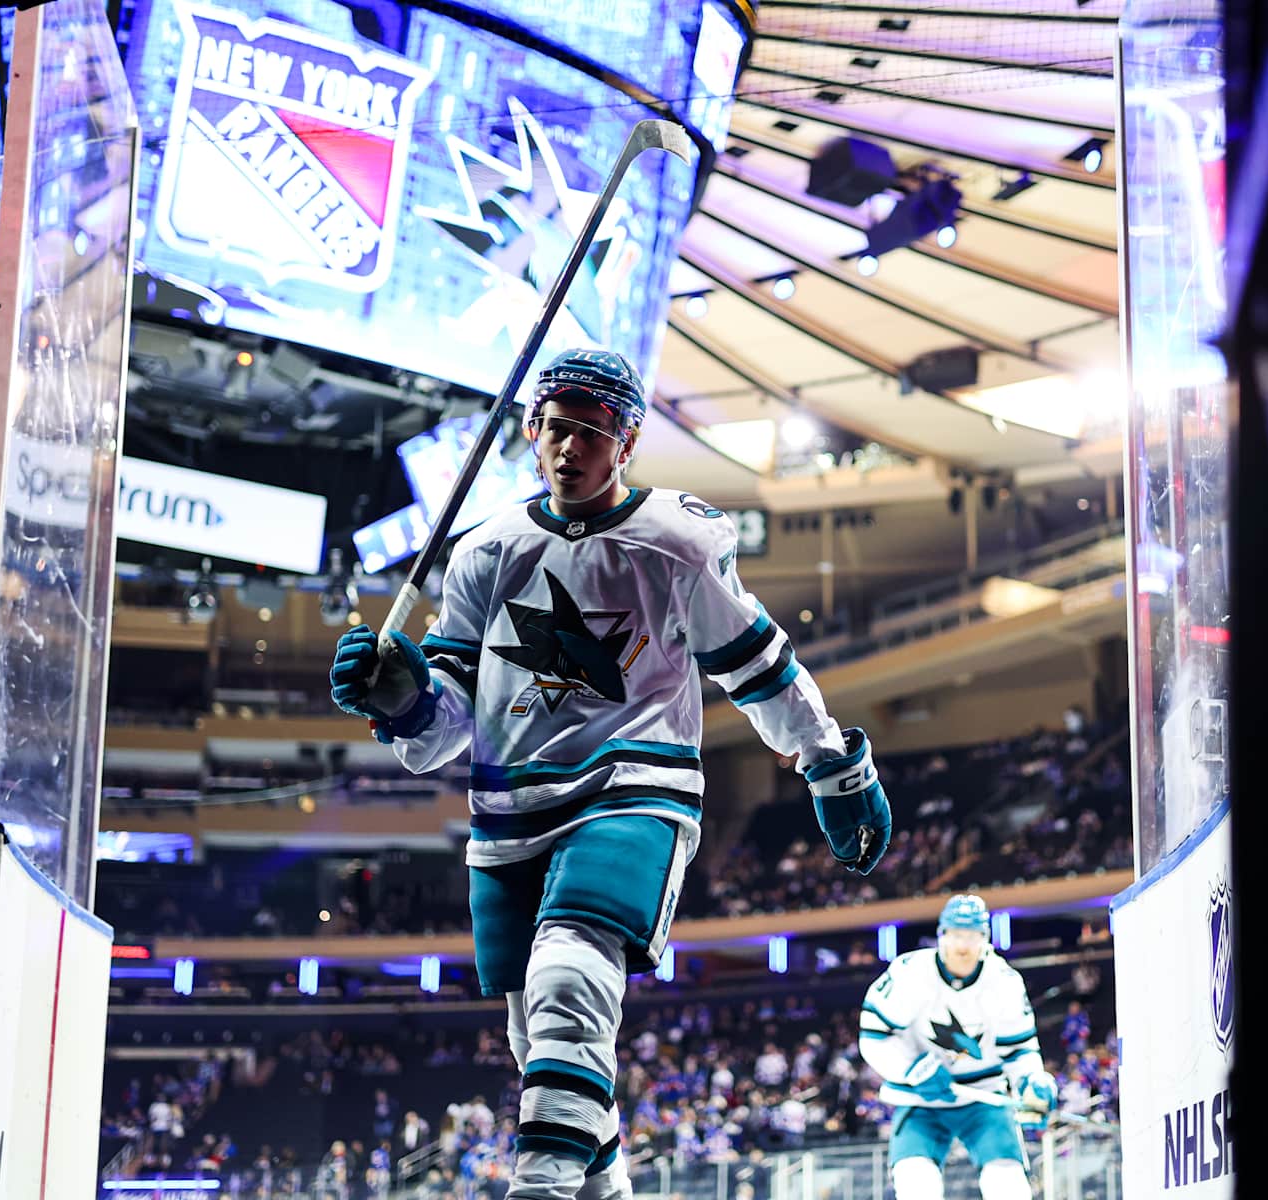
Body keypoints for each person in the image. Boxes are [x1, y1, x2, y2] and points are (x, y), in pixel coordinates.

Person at [331, 347, 891, 1200]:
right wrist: (404, 698)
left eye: (591, 432)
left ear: (625, 441)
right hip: (510, 814)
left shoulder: (677, 539)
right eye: (557, 427)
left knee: (568, 981)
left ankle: (541, 1187)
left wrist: (828, 764)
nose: (569, 447)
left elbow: (758, 667)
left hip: (634, 790)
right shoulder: (485, 553)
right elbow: (445, 728)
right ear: (530, 430)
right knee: (542, 1041)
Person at [858, 894, 1056, 1200]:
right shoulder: (910, 973)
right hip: (921, 1097)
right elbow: (873, 1037)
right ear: (941, 936)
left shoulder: (1004, 982)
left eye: (972, 936)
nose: (963, 946)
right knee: (915, 1184)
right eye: (956, 936)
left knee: (1009, 1185)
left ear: (985, 940)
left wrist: (1031, 1082)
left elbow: (1019, 1050)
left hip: (985, 1096)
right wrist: (913, 1069)